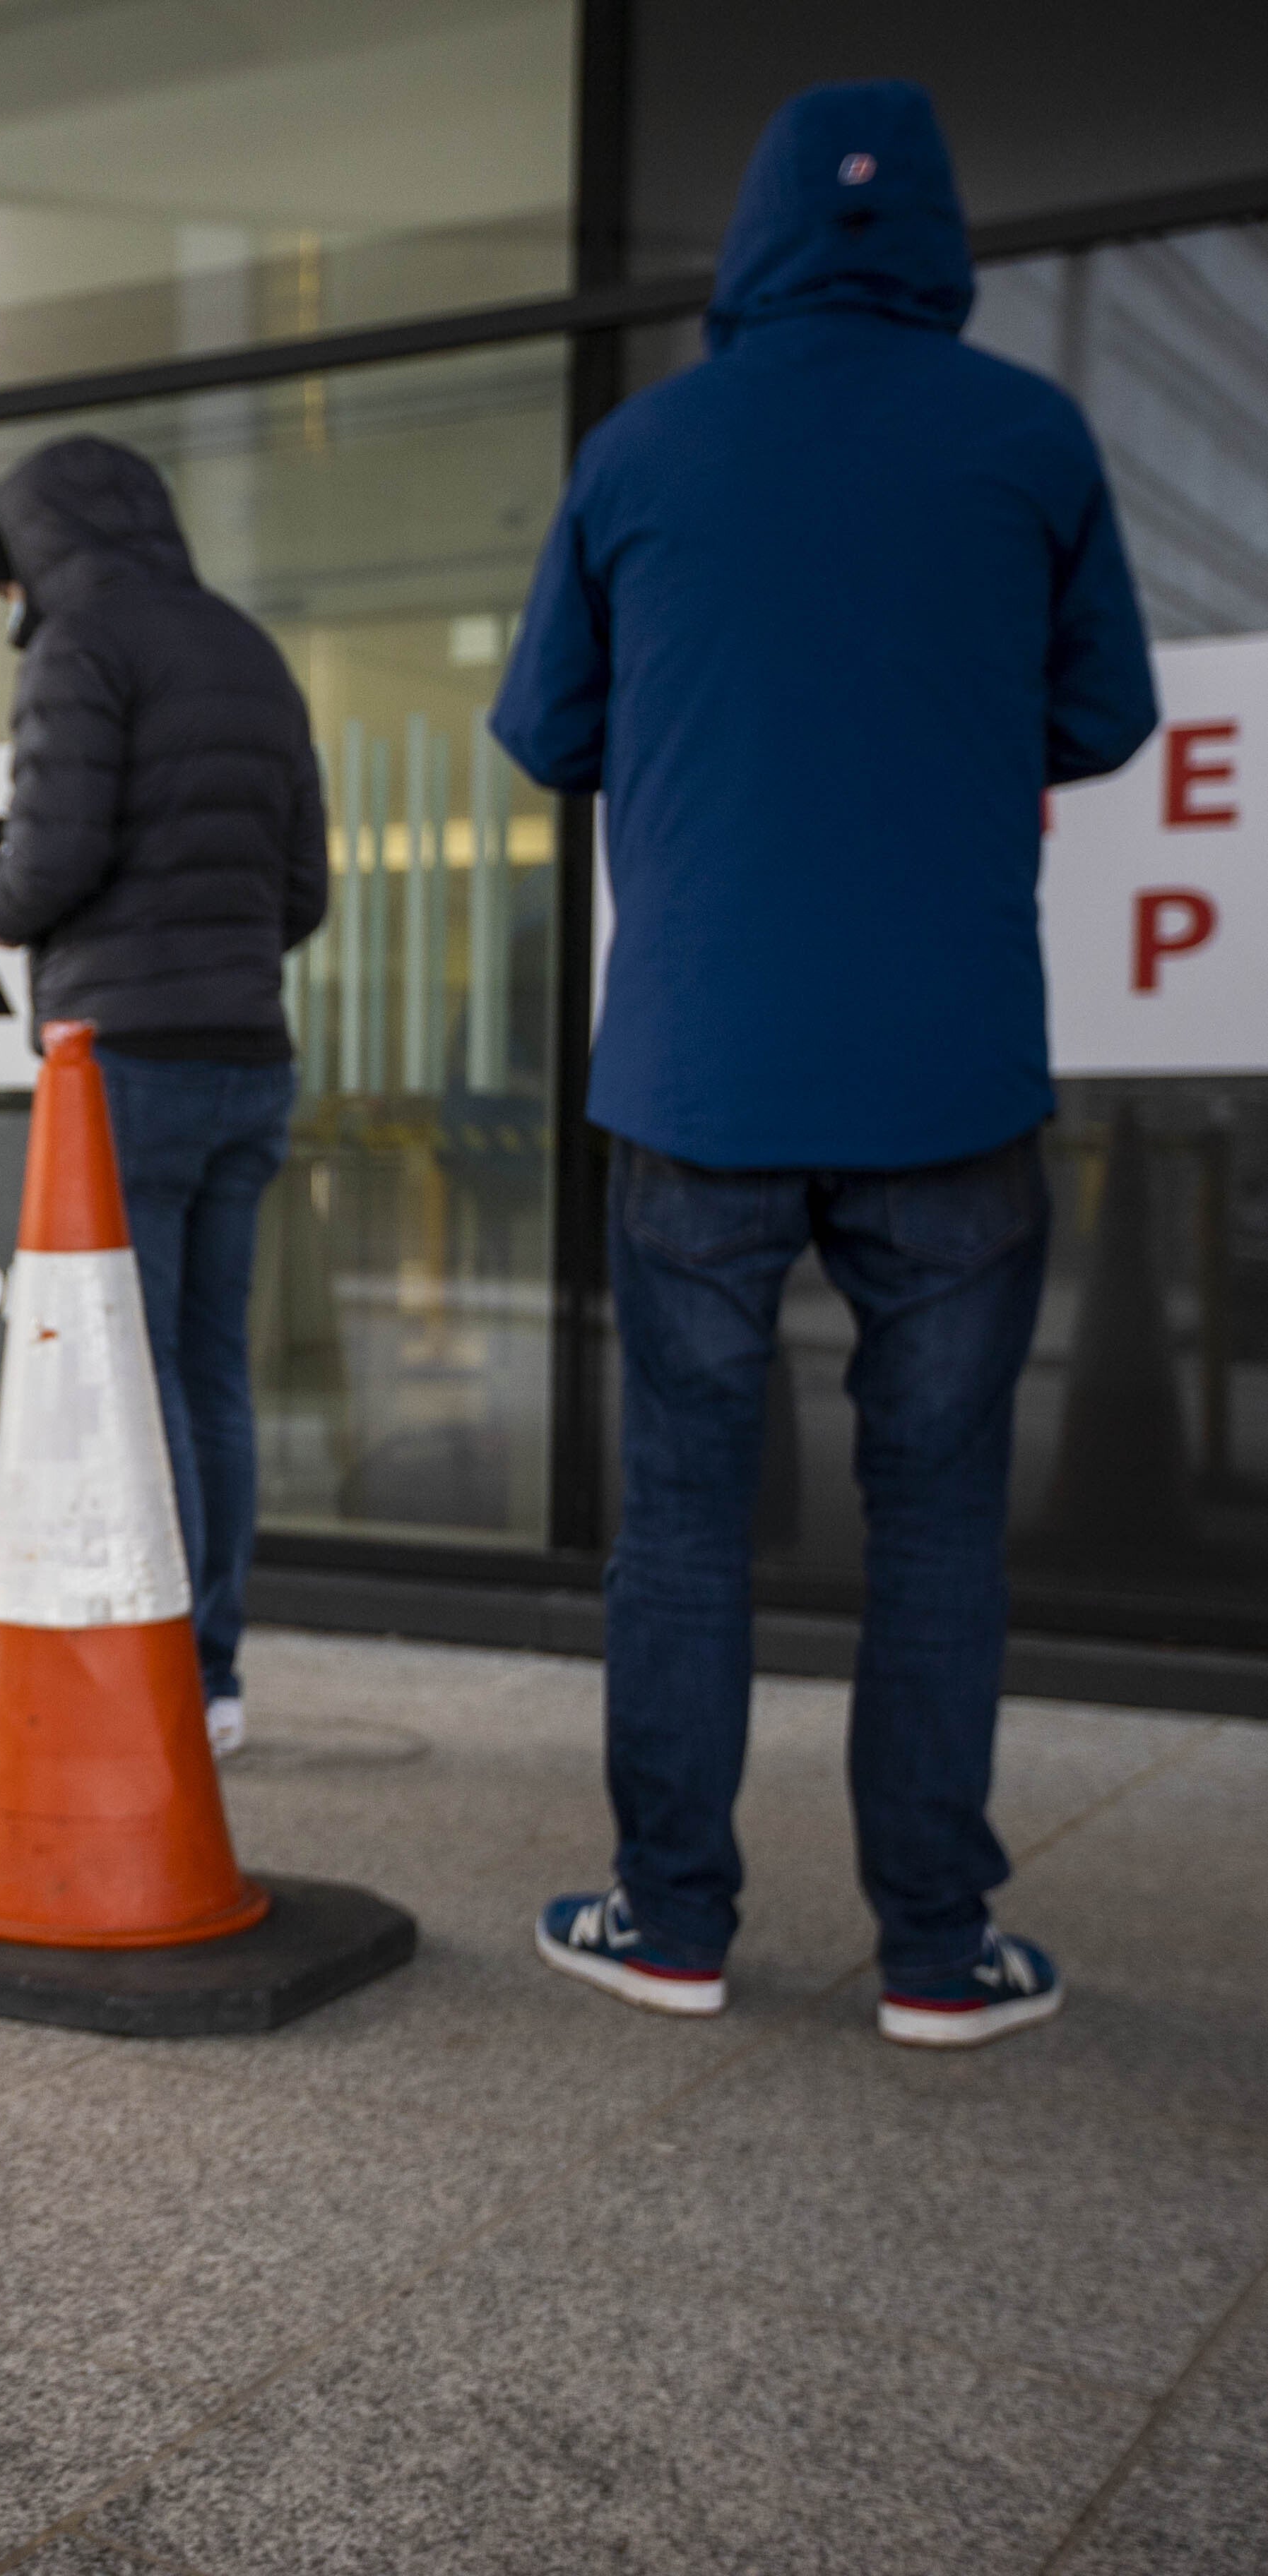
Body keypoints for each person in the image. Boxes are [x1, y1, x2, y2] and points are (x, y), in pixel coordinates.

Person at [492, 82, 1156, 2049]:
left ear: (760, 233)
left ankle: (671, 1921)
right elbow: (1105, 712)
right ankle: (937, 1954)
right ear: (935, 234)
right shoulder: (1029, 438)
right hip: (952, 1070)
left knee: (683, 1517)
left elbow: (545, 729)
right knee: (937, 1518)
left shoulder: (642, 449)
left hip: (693, 1071)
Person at [0, 434, 328, 1758]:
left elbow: (49, 856)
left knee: (135, 1375)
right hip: (248, 1055)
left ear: (32, 550)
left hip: (129, 1059)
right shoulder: (244, 648)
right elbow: (304, 892)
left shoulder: (83, 644)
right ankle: (214, 1675)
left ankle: (154, 1669)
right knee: (211, 1371)